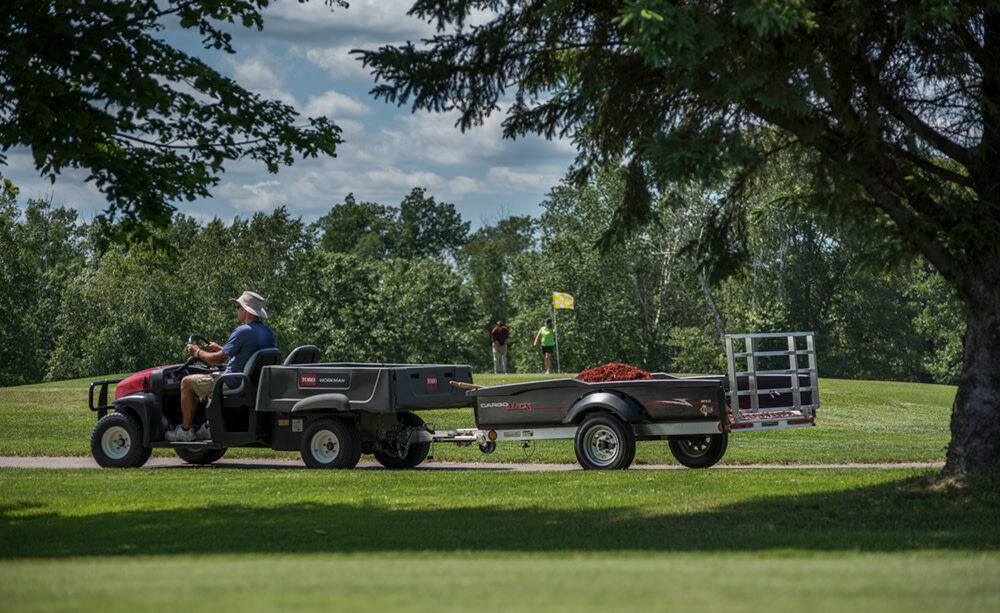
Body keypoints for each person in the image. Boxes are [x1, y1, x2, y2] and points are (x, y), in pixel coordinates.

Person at [166, 290, 276, 441]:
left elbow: (218, 360)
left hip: (232, 381)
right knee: (207, 381)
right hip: (252, 381)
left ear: (245, 310)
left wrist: (197, 353)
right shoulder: (267, 332)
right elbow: (245, 353)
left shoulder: (243, 331)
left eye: (238, 307)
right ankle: (207, 426)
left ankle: (185, 431)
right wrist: (221, 348)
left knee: (186, 383)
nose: (237, 311)